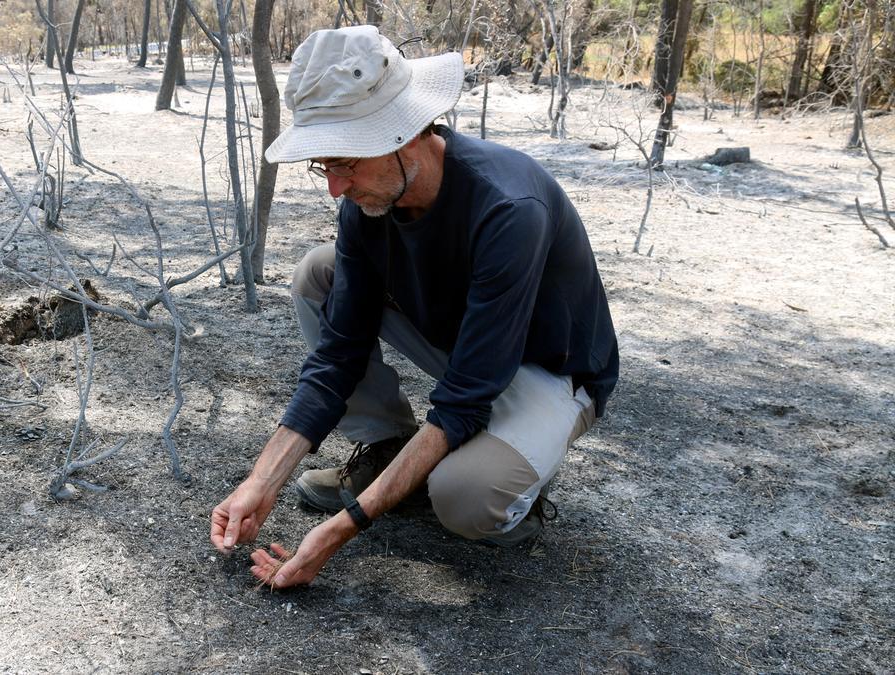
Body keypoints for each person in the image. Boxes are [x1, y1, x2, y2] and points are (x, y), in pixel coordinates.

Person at [209, 25, 619, 589]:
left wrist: (340, 530)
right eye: (323, 165)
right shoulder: (368, 205)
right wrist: (262, 481)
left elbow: (464, 400)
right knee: (317, 272)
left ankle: (508, 491)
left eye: (345, 164)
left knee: (464, 500)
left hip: (550, 369)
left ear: (404, 135)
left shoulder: (507, 207)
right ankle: (390, 448)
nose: (334, 188)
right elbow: (338, 356)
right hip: (467, 346)